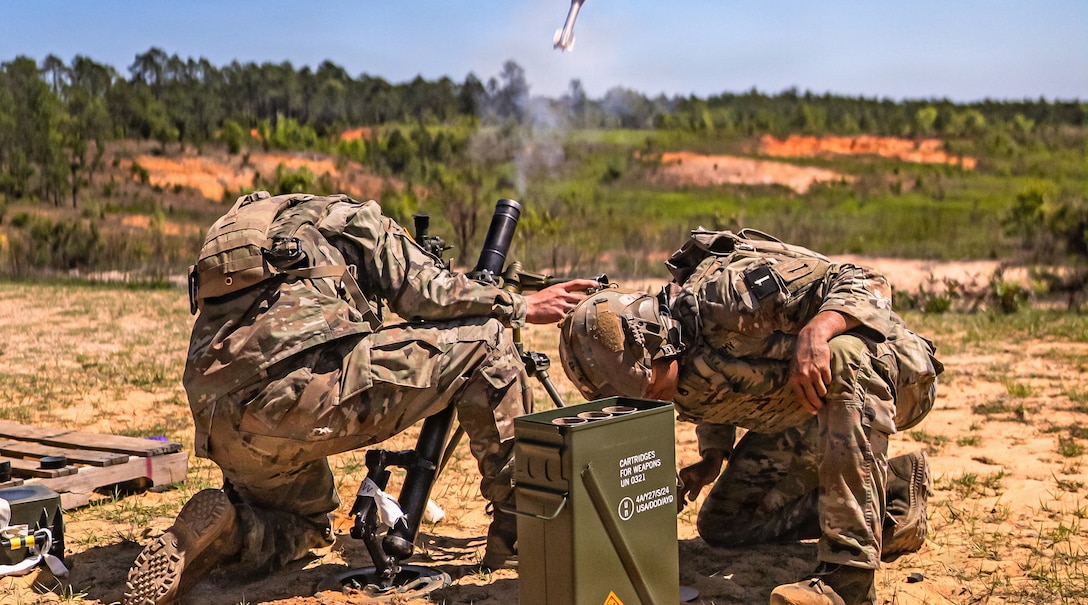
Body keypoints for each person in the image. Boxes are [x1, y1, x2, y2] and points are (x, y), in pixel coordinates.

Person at [123, 191, 597, 605]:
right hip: (299, 396)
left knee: (306, 524)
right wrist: (522, 306)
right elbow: (424, 293)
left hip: (220, 420)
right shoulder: (349, 217)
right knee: (488, 342)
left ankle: (230, 531)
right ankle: (521, 526)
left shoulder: (240, 226)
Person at [558, 227, 943, 605]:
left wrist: (817, 332)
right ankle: (893, 492)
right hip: (809, 409)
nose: (653, 398)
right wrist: (713, 455)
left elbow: (867, 280)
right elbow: (717, 379)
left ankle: (849, 579)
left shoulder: (732, 296)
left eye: (651, 388)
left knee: (843, 355)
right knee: (725, 523)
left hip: (897, 375)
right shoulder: (665, 362)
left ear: (661, 341)